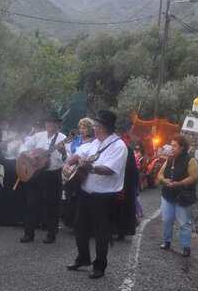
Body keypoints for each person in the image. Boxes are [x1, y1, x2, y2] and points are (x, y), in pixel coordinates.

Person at [65, 110, 127, 279]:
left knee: (101, 233)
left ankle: (100, 265)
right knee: (79, 226)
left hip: (104, 197)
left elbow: (110, 170)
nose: (94, 129)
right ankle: (83, 258)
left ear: (103, 128)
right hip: (86, 192)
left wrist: (90, 168)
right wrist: (69, 165)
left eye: (96, 126)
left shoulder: (119, 146)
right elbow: (80, 154)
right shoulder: (96, 143)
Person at [19, 112, 67, 244]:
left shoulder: (63, 139)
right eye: (48, 122)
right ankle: (29, 233)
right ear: (45, 124)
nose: (50, 125)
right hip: (35, 174)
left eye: (53, 123)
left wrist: (63, 153)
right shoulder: (37, 136)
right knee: (31, 203)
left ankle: (51, 234)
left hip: (53, 175)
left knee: (52, 205)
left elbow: (67, 160)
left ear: (58, 125)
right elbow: (23, 147)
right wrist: (29, 156)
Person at [157, 134, 198, 257]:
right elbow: (160, 175)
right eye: (171, 145)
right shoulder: (169, 159)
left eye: (174, 146)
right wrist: (165, 181)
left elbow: (194, 177)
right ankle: (167, 242)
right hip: (168, 195)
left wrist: (179, 184)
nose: (172, 148)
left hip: (183, 197)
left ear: (182, 148)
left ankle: (186, 247)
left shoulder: (190, 160)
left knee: (184, 223)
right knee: (166, 219)